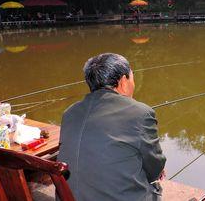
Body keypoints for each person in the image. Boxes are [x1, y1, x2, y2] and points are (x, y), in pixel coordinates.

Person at [58, 53, 166, 201]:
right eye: (132, 77)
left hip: (68, 197)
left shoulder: (69, 113)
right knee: (155, 187)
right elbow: (154, 169)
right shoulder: (140, 113)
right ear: (123, 81)